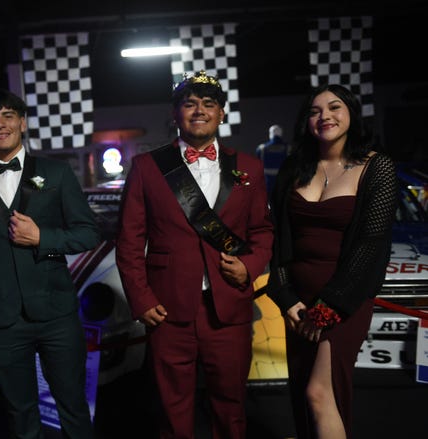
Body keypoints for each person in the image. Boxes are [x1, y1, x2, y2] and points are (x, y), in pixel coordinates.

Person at [115, 70, 274, 439]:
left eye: (208, 104)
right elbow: (128, 241)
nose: (199, 110)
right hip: (167, 309)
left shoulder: (248, 167)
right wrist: (141, 299)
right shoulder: (147, 167)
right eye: (189, 103)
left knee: (231, 407)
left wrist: (249, 266)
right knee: (172, 411)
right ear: (176, 114)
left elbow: (263, 233)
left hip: (229, 306)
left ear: (221, 114)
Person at [0, 88, 100, 438]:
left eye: (7, 115)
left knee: (74, 409)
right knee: (19, 416)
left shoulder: (57, 173)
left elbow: (88, 233)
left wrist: (42, 238)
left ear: (23, 122)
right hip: (1, 321)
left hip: (57, 314)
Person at [266, 84, 398, 439]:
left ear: (352, 113)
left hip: (345, 296)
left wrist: (327, 309)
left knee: (320, 393)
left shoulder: (377, 167)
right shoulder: (294, 168)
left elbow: (371, 245)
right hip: (297, 302)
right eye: (314, 111)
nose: (324, 116)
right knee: (304, 398)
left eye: (335, 107)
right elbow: (278, 238)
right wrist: (285, 297)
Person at [256, 124, 290, 193]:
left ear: (270, 134)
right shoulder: (289, 149)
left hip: (267, 184)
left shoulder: (261, 149)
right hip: (283, 184)